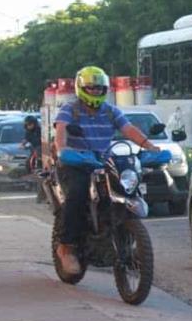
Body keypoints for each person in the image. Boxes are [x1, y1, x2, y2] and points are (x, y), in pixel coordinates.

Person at [53, 66, 159, 275]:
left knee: (126, 185)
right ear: (81, 88)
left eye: (99, 88)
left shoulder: (111, 111)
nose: (94, 92)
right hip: (75, 163)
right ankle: (66, 247)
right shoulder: (69, 109)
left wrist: (150, 147)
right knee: (77, 194)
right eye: (90, 88)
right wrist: (63, 150)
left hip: (102, 162)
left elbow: (129, 130)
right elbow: (61, 132)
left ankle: (117, 231)